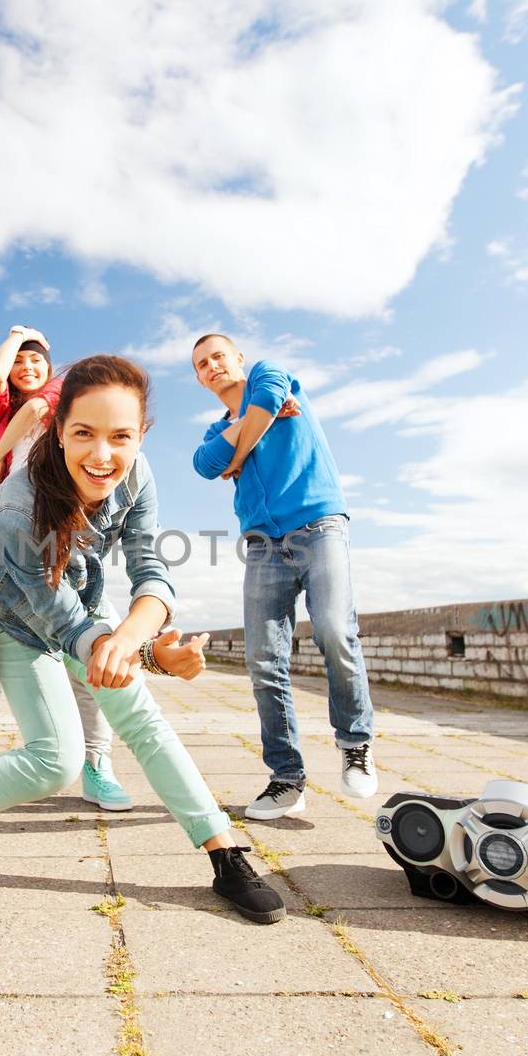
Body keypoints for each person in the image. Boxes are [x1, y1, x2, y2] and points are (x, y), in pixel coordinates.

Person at [0, 355, 286, 924]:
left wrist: (136, 638)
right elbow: (63, 626)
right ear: (57, 432)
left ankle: (225, 855)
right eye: (83, 434)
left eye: (121, 437)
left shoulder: (136, 472)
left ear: (140, 435)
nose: (102, 456)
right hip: (17, 621)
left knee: (142, 720)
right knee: (55, 760)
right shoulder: (14, 509)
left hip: (85, 598)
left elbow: (150, 567)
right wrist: (145, 655)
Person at [190, 333, 377, 820]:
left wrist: (240, 448)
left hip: (319, 526)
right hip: (263, 545)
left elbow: (269, 398)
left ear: (238, 360)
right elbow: (205, 464)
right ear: (198, 378)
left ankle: (355, 743)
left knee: (335, 630)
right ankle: (286, 778)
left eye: (218, 357)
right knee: (263, 660)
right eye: (201, 365)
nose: (211, 367)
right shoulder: (215, 429)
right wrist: (241, 436)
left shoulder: (270, 372)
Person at [0, 325, 133, 811]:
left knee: (86, 657)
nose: (26, 367)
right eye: (20, 361)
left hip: (60, 537)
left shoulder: (60, 395)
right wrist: (13, 337)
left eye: (35, 359)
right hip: (2, 544)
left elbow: (38, 408)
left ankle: (97, 765)